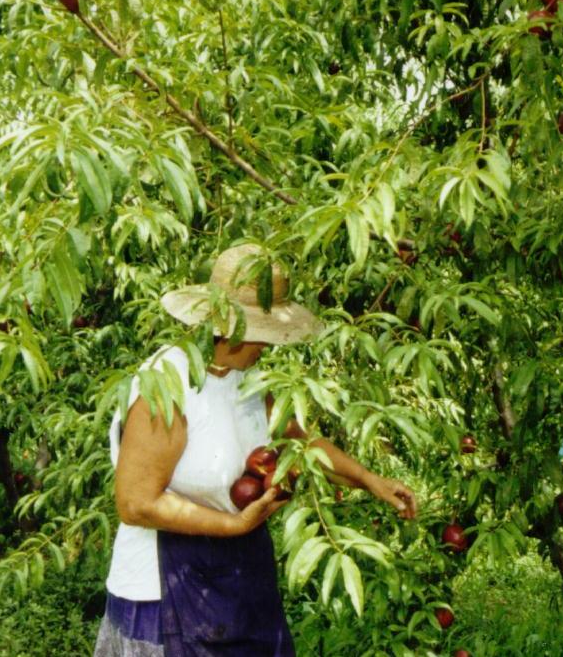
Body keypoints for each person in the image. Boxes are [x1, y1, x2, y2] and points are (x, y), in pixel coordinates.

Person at [94, 243, 418, 657]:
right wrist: (234, 526)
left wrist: (371, 481)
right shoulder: (170, 384)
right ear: (228, 325)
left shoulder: (247, 379)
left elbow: (299, 443)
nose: (269, 344)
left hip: (237, 577)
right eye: (262, 332)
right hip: (163, 596)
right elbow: (135, 504)